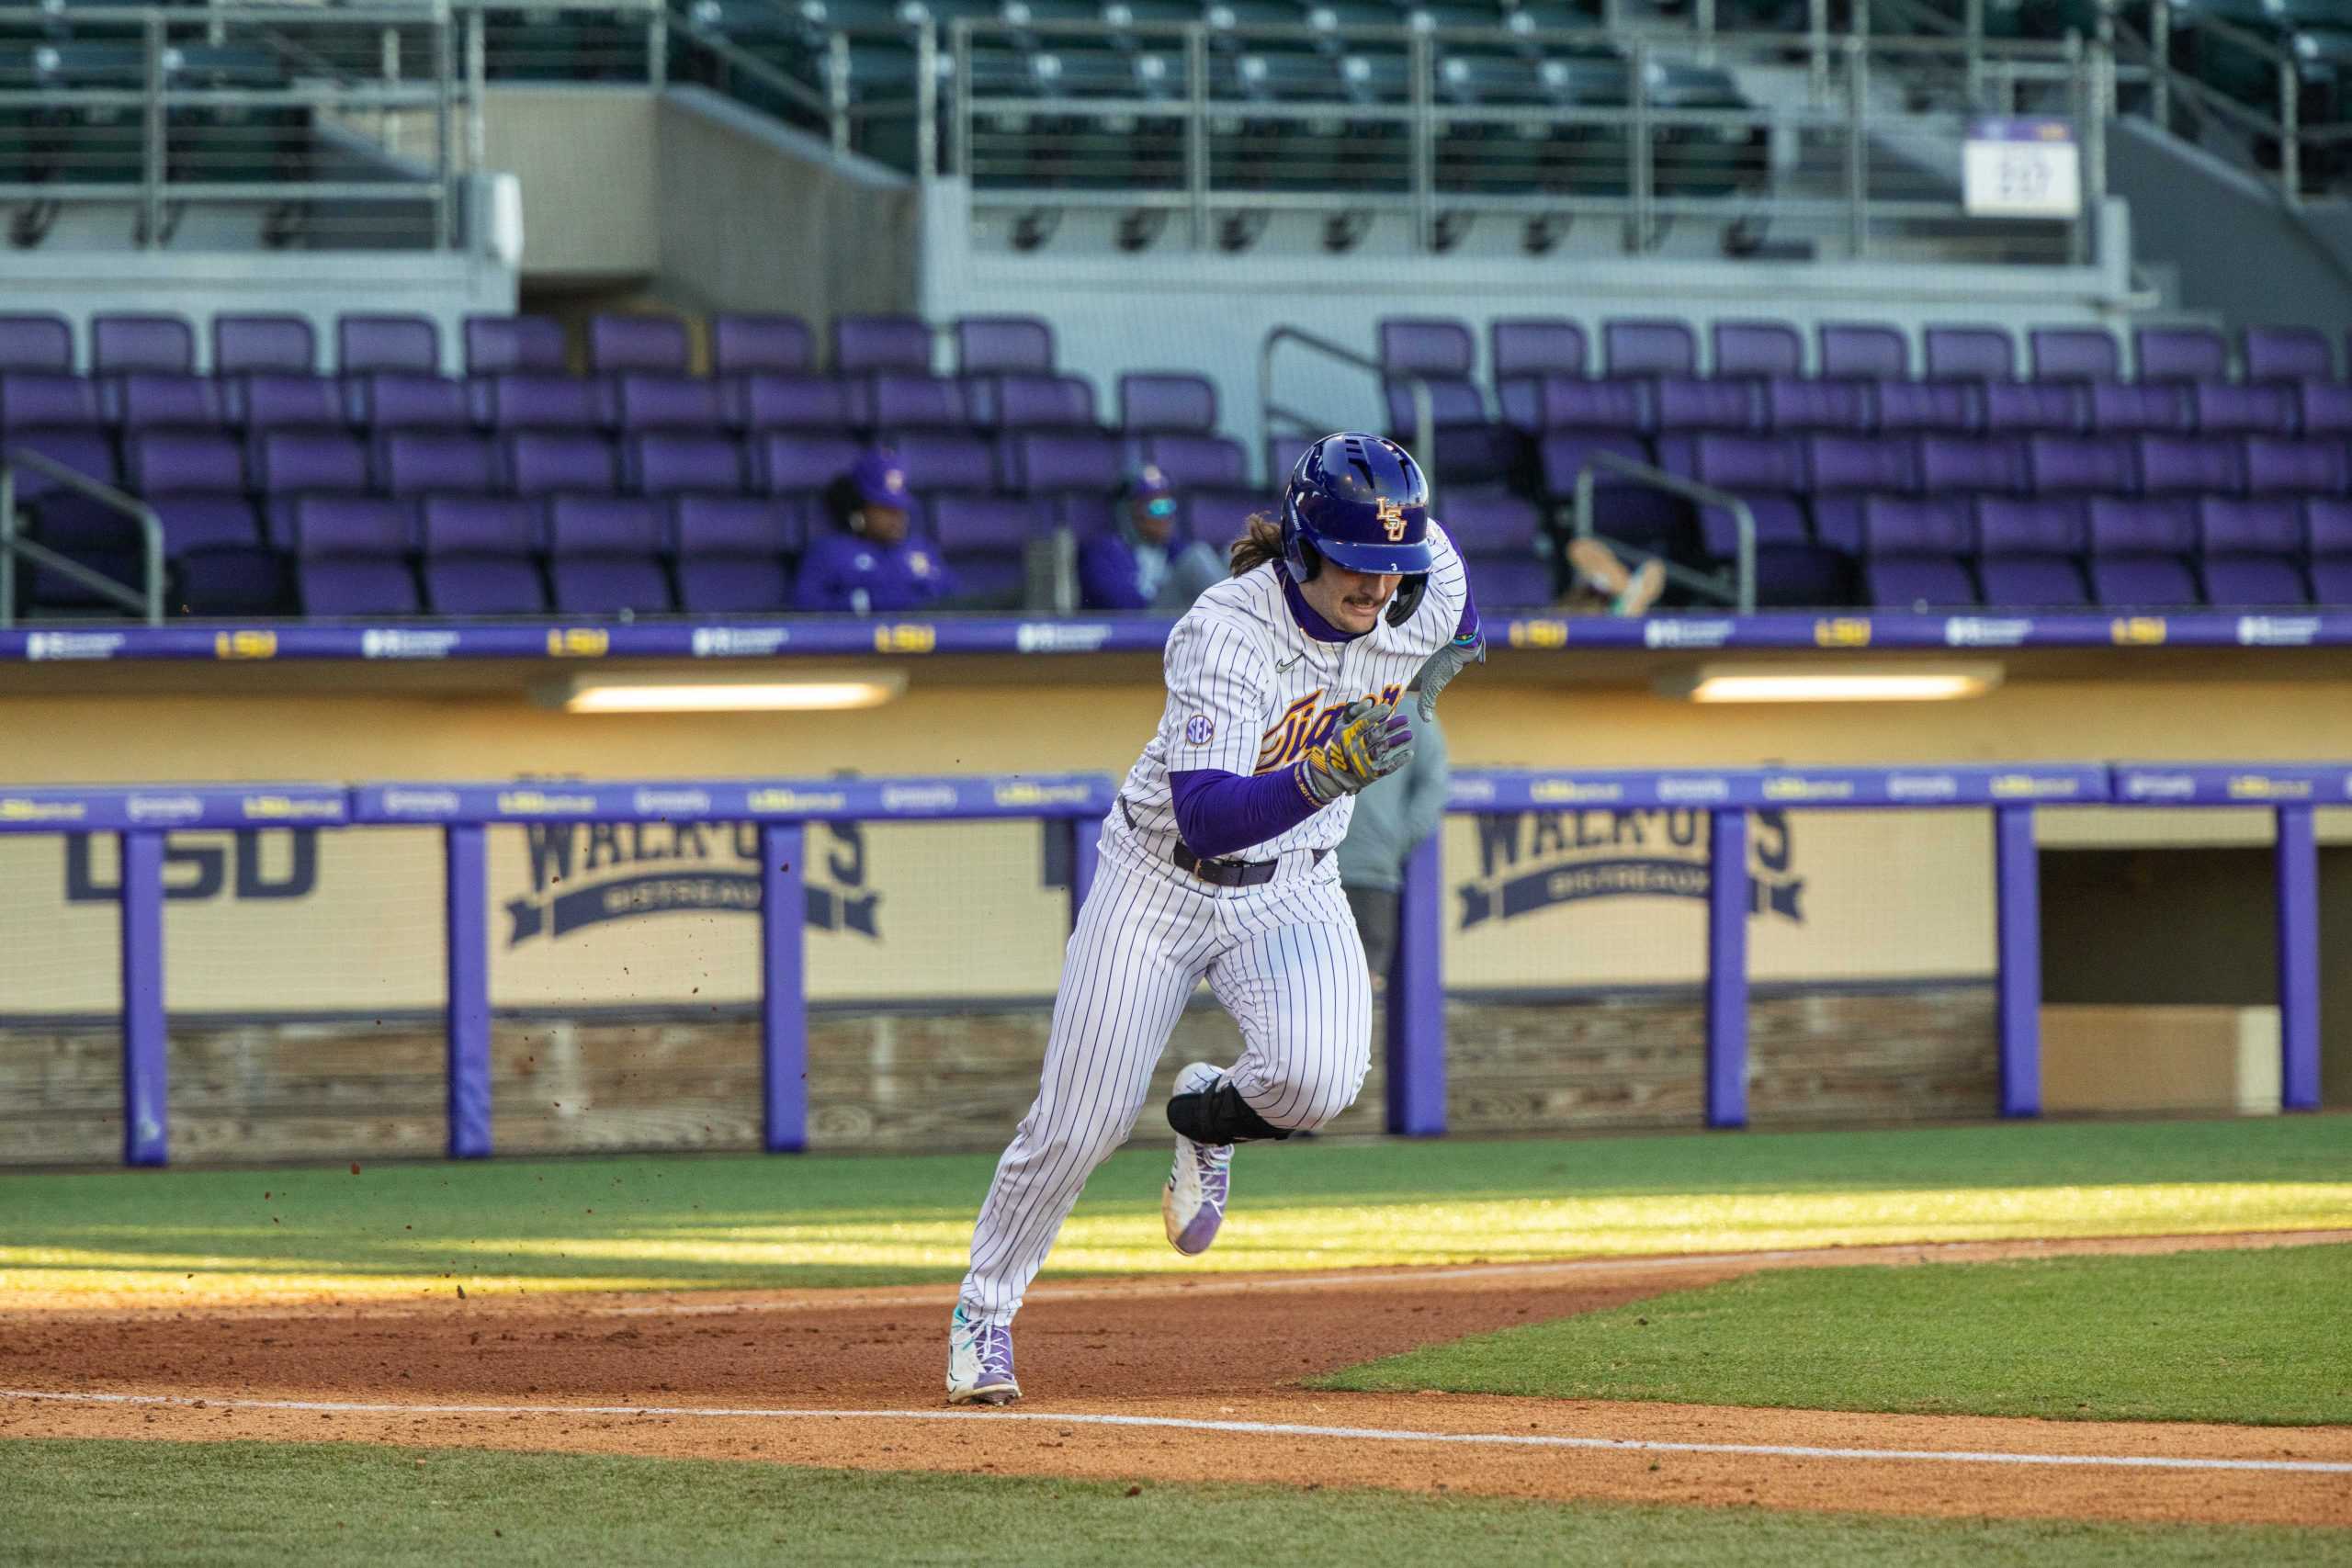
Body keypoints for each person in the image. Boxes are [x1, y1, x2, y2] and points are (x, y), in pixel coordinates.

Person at [948, 432, 1485, 1405]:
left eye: (1389, 565)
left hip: (1293, 882)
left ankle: (1206, 1115)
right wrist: (1324, 771)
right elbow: (1206, 812)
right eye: (1358, 563)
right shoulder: (1226, 627)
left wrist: (1442, 670)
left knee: (1319, 1080)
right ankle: (984, 1314)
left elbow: (1456, 601)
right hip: (1159, 879)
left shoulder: (1418, 574)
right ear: (1305, 547)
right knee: (1081, 1122)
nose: (1377, 587)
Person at [1335, 705, 1448, 995]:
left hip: (1367, 874)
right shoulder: (1317, 699)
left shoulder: (1413, 714)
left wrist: (1391, 843)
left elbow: (1433, 789)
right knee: (1311, 988)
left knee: (1355, 989)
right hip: (1303, 874)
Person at [792, 448, 955, 615]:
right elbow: (806, 613)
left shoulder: (922, 550)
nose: (897, 517)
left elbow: (955, 607)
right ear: (860, 508)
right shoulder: (828, 553)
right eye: (885, 508)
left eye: (900, 509)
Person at [1077, 464, 1226, 612]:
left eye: (1169, 506)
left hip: (1175, 624)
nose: (1166, 516)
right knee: (1197, 557)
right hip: (1139, 626)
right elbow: (1123, 606)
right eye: (1157, 507)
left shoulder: (1174, 549)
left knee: (1234, 554)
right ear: (1128, 512)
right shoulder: (1103, 552)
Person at [1558, 536, 1666, 615]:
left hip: (1622, 605)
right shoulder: (1585, 594)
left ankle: (1629, 598)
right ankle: (1628, 597)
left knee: (1654, 568)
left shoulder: (1620, 581)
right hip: (1603, 610)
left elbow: (1654, 570)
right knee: (1579, 548)